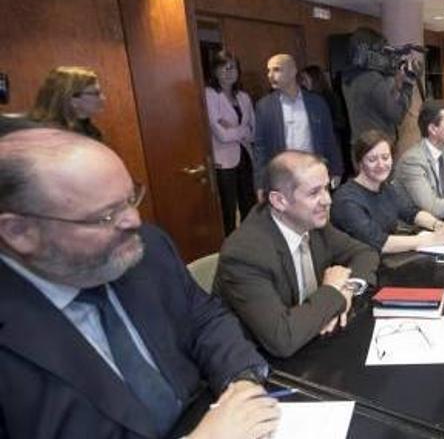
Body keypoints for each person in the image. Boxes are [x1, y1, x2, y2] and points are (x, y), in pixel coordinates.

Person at [0, 128, 279, 439]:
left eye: (130, 198)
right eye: (106, 216)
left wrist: (242, 381)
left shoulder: (146, 247)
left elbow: (204, 319)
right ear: (19, 232)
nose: (133, 220)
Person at [214, 151, 379, 358]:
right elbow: (283, 339)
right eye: (314, 193)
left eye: (327, 188)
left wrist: (346, 290)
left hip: (311, 343)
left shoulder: (313, 223)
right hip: (260, 364)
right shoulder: (244, 254)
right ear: (279, 201)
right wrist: (331, 291)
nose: (327, 200)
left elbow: (365, 253)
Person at [331, 130, 444, 253]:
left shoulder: (386, 188)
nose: (381, 165)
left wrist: (438, 225)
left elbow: (411, 212)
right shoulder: (346, 200)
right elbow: (379, 242)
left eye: (385, 157)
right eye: (372, 160)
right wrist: (431, 239)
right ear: (360, 163)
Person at [253, 53, 343, 193]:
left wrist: (336, 170)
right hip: (282, 177)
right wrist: (260, 183)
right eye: (268, 71)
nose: (270, 75)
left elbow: (329, 138)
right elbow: (260, 148)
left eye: (277, 70)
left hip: (313, 172)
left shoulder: (316, 103)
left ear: (293, 71)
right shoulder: (264, 107)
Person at [205, 50, 257, 236]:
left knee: (249, 205)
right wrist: (241, 131)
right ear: (215, 71)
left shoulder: (243, 97)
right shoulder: (210, 94)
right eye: (223, 67)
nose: (229, 71)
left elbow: (253, 132)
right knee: (228, 209)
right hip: (224, 161)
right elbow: (221, 135)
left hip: (245, 155)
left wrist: (233, 129)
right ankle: (230, 245)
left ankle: (249, 241)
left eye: (233, 67)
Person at [340, 27, 415, 148]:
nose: (385, 56)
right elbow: (397, 114)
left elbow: (373, 106)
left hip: (360, 144)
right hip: (377, 146)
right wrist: (408, 84)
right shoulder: (372, 79)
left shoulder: (349, 77)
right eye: (382, 51)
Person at [300, 64, 353, 177]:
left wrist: (322, 125)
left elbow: (340, 122)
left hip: (331, 143)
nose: (302, 83)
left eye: (305, 79)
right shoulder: (306, 101)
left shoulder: (329, 98)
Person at [28, 66, 105, 140]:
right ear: (72, 99)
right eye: (96, 93)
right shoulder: (45, 135)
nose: (103, 98)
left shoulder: (89, 130)